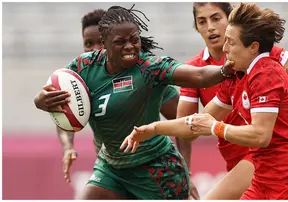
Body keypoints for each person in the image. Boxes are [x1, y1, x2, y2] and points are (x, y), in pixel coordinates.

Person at [120, 3, 288, 199]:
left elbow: (260, 135)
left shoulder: (267, 69)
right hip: (258, 174)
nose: (211, 28)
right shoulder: (230, 74)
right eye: (202, 21)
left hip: (280, 178)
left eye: (216, 18)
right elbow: (192, 125)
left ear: (252, 46)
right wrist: (152, 128)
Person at [33, 5, 235, 200]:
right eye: (121, 42)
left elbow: (198, 78)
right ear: (105, 43)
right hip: (112, 168)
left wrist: (227, 69)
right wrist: (41, 102)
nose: (130, 46)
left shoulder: (150, 69)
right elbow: (62, 109)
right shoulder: (84, 67)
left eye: (134, 40)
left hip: (157, 170)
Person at [49, 9, 183, 187]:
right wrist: (68, 147)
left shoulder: (144, 75)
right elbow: (65, 116)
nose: (95, 49)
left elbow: (181, 121)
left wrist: (185, 167)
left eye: (100, 43)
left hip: (150, 171)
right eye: (89, 43)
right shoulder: (82, 76)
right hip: (111, 169)